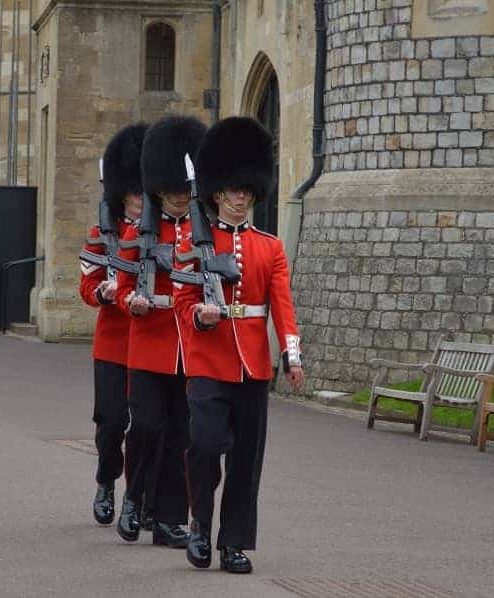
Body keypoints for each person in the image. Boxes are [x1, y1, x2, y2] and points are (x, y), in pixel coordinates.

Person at [174, 117, 305, 574]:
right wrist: (198, 315)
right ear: (216, 192)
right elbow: (181, 298)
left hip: (253, 365)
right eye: (232, 189)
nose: (240, 196)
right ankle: (199, 523)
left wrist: (291, 353)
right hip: (208, 362)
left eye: (246, 189)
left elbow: (282, 306)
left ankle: (233, 543)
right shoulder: (193, 242)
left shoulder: (269, 247)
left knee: (247, 460)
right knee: (205, 447)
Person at [114, 114, 207, 548]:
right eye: (172, 192)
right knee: (147, 425)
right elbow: (123, 285)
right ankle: (133, 499)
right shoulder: (137, 231)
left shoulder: (200, 232)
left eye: (184, 191)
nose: (178, 199)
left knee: (181, 435)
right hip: (148, 341)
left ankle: (169, 518)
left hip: (189, 345)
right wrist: (129, 302)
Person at [79, 122, 147, 526]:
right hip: (111, 343)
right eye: (135, 192)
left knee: (146, 428)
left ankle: (136, 500)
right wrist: (102, 293)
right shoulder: (102, 234)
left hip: (149, 343)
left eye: (144, 191)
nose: (140, 199)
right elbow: (86, 284)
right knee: (110, 423)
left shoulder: (164, 234)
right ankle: (107, 481)